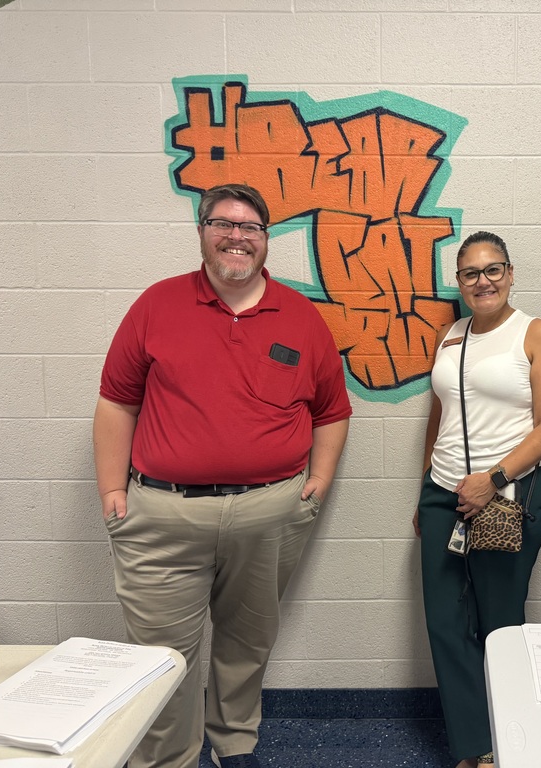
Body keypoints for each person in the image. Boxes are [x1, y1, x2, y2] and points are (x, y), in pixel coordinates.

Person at [93, 183, 351, 768]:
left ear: (266, 241)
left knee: (247, 644)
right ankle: (166, 760)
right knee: (161, 657)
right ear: (203, 232)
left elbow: (332, 410)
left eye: (251, 227)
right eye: (223, 223)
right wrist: (113, 491)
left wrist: (319, 482)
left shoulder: (300, 316)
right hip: (163, 515)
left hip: (268, 513)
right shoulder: (157, 306)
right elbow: (117, 403)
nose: (237, 236)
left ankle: (234, 746)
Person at [414, 231, 541, 768]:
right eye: (471, 273)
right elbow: (440, 413)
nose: (484, 281)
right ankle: (472, 746)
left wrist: (494, 476)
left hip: (508, 496)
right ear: (459, 283)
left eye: (493, 269)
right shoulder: (452, 334)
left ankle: (508, 743)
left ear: (510, 273)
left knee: (498, 624)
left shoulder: (536, 333)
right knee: (444, 622)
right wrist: (425, 488)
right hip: (444, 494)